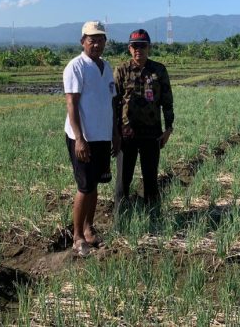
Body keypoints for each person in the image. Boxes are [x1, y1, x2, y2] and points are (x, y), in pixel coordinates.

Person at [63, 21, 120, 256]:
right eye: (91, 39)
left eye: (100, 39)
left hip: (102, 137)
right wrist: (79, 138)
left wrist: (115, 134)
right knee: (84, 187)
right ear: (82, 41)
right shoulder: (75, 67)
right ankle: (77, 236)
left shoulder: (106, 67)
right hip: (83, 138)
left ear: (105, 42)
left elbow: (112, 104)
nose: (96, 44)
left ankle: (88, 228)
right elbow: (72, 105)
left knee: (95, 185)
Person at [114, 29, 174, 210]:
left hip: (152, 133)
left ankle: (153, 215)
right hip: (127, 134)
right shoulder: (121, 70)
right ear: (129, 48)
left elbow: (167, 101)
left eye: (143, 45)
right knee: (123, 178)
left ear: (149, 47)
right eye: (135, 46)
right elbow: (113, 102)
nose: (138, 49)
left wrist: (169, 129)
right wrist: (114, 132)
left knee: (150, 177)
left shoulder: (159, 70)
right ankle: (121, 215)